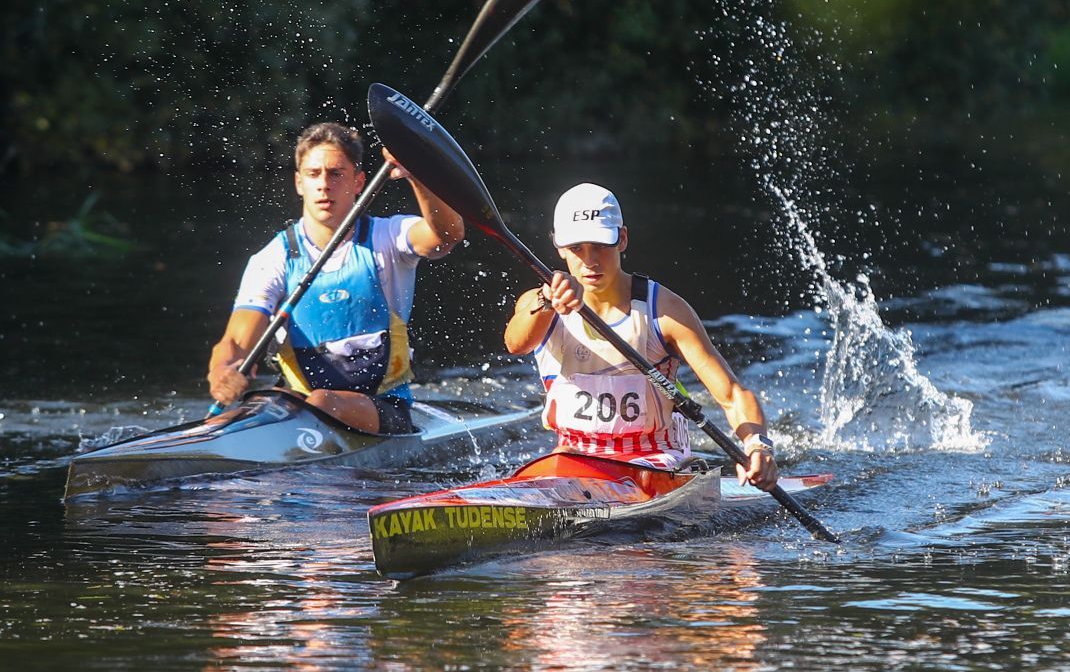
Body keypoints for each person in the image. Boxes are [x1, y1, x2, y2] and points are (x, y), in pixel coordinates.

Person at [503, 183, 780, 488]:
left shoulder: (665, 310)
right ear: (559, 247)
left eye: (601, 245)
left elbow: (731, 394)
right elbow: (516, 344)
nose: (590, 261)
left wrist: (758, 445)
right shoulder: (538, 303)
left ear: (622, 239)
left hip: (656, 461)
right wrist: (547, 300)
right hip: (571, 458)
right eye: (577, 249)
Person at [207, 122, 465, 433]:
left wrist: (417, 174)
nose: (324, 184)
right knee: (263, 405)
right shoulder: (272, 259)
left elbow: (448, 235)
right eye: (313, 174)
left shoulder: (387, 238)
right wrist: (223, 373)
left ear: (359, 182)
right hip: (295, 407)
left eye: (336, 173)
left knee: (321, 403)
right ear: (299, 182)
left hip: (382, 408)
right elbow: (235, 341)